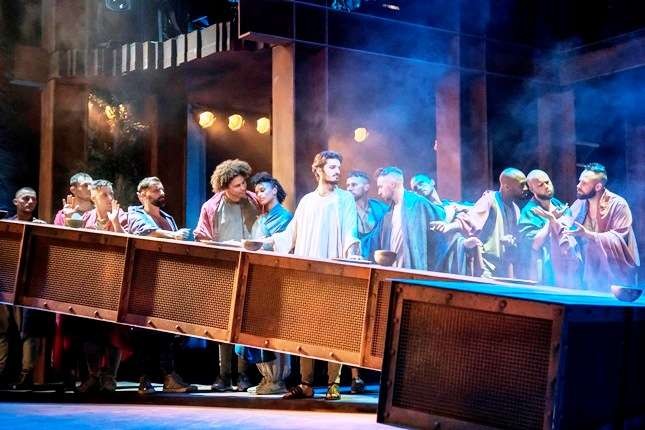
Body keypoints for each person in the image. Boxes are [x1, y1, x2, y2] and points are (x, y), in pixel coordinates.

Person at [266, 150, 360, 401]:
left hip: (334, 272)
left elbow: (350, 231)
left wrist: (352, 251)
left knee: (334, 328)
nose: (337, 171)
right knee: (305, 328)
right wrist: (267, 242)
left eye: (339, 167)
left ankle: (333, 384)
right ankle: (306, 383)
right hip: (308, 274)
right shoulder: (307, 201)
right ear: (318, 170)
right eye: (332, 167)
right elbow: (291, 234)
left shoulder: (345, 199)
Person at [193, 160, 260, 392]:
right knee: (223, 323)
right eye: (237, 185)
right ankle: (223, 375)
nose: (243, 188)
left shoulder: (254, 200)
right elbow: (201, 237)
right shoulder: (212, 206)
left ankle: (243, 375)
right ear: (224, 187)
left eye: (243, 183)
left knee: (244, 324)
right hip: (225, 269)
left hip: (251, 268)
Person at [127, 177, 195, 394]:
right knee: (144, 332)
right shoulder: (135, 214)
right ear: (142, 195)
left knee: (166, 332)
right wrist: (174, 235)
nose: (161, 193)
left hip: (167, 281)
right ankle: (144, 379)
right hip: (145, 280)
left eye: (162, 189)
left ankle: (169, 377)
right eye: (156, 190)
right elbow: (145, 231)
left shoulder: (167, 218)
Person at [236, 172, 292, 395]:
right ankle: (266, 378)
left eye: (262, 190)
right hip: (258, 277)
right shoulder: (261, 218)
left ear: (274, 190)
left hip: (274, 279)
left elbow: (283, 246)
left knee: (272, 329)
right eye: (256, 191)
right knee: (256, 330)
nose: (258, 194)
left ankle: (276, 379)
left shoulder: (284, 217)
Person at [74, 180, 127, 393]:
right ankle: (93, 375)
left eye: (111, 194)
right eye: (104, 194)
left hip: (114, 282)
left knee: (113, 333)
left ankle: (110, 376)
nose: (109, 198)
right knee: (90, 332)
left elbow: (128, 245)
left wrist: (116, 224)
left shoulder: (121, 215)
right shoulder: (85, 218)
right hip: (90, 283)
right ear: (94, 197)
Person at [430, 168, 528, 278]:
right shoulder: (490, 199)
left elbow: (516, 239)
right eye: (522, 185)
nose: (526, 188)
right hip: (486, 266)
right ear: (507, 187)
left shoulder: (515, 209)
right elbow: (471, 219)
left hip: (504, 267)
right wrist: (449, 226)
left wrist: (511, 241)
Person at [564, 163, 640, 291]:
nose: (578, 185)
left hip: (614, 272)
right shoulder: (579, 204)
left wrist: (590, 235)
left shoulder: (618, 204)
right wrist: (555, 220)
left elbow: (619, 236)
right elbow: (566, 226)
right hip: (587, 272)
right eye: (579, 181)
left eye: (584, 183)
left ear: (598, 186)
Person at [0, 188, 48, 389]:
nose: (30, 202)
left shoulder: (41, 227)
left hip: (29, 286)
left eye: (33, 199)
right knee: (2, 330)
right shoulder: (6, 225)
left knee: (28, 331)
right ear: (15, 201)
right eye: (25, 198)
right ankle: (1, 372)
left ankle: (26, 375)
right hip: (5, 285)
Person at [377, 167, 446, 271]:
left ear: (392, 184)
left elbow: (441, 215)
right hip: (393, 271)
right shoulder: (388, 213)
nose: (379, 192)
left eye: (380, 186)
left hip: (413, 271)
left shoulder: (417, 203)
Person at [518, 170, 579, 287]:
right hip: (546, 269)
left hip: (567, 265)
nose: (546, 187)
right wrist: (551, 221)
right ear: (532, 189)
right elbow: (534, 244)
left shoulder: (559, 205)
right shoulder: (530, 211)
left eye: (547, 182)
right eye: (540, 185)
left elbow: (570, 232)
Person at [345, 170, 389, 261]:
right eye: (348, 185)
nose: (349, 188)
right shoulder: (345, 211)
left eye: (354, 185)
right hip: (353, 262)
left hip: (377, 262)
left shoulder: (381, 209)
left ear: (366, 187)